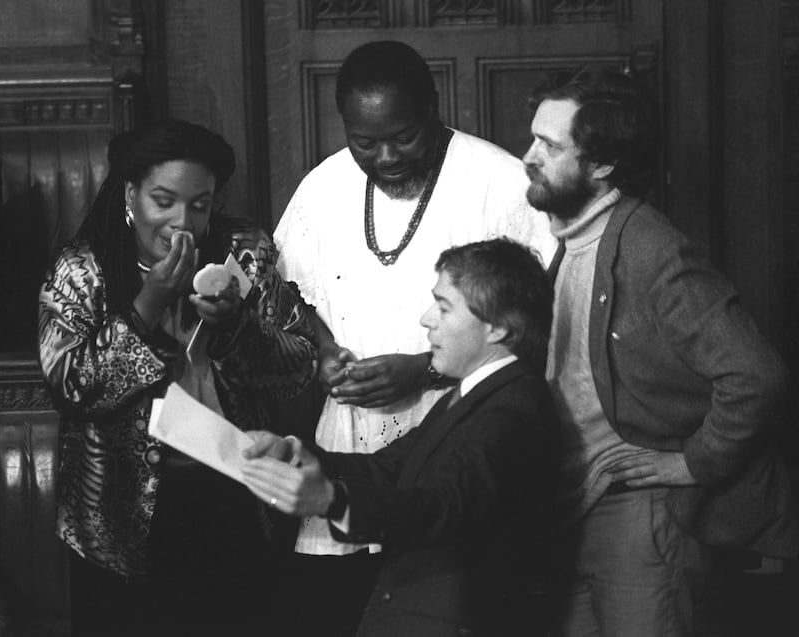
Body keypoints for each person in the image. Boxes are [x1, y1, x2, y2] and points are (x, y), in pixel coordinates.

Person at [273, 39, 556, 635]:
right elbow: (290, 298)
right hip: (356, 437)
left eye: (404, 136)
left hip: (457, 431)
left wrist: (421, 371)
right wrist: (324, 351)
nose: (386, 156)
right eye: (364, 142)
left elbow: (539, 325)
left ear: (433, 107)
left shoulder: (499, 182)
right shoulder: (324, 185)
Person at [523, 66, 799, 636]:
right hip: (576, 511)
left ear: (601, 166)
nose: (528, 156)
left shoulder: (652, 249)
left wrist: (694, 462)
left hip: (639, 514)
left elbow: (757, 375)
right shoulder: (571, 240)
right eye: (533, 138)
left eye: (549, 145)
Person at [37, 119, 317, 637]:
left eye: (200, 204)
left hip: (234, 497)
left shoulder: (245, 253)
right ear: (130, 195)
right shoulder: (82, 271)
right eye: (162, 201)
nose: (180, 222)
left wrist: (235, 325)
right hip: (119, 518)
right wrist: (149, 303)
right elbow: (72, 389)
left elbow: (298, 366)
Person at [242, 238, 559, 637]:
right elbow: (387, 467)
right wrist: (297, 454)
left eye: (444, 307)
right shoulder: (480, 393)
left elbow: (443, 504)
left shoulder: (513, 409)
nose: (427, 319)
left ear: (498, 328)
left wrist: (331, 500)